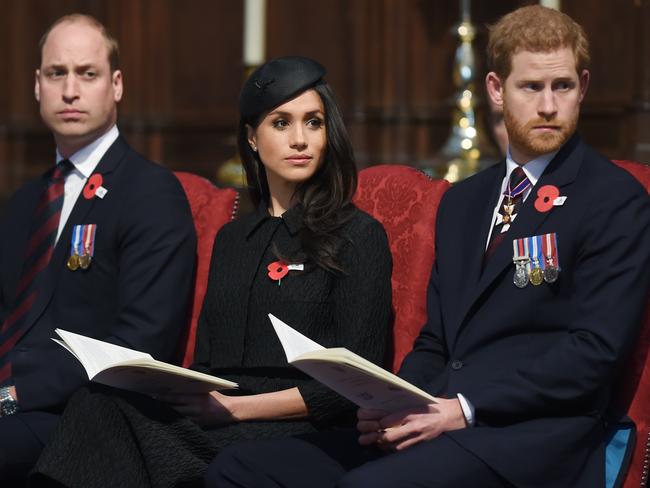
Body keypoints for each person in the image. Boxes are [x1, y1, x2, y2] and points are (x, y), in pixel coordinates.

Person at [205, 6, 650, 488]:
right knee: (242, 468)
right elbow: (438, 340)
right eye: (530, 87)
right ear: (497, 90)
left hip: (532, 440)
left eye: (561, 86)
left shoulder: (614, 199)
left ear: (582, 87)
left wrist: (463, 409)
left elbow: (593, 354)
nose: (547, 105)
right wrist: (395, 403)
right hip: (439, 419)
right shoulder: (465, 201)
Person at [30, 56, 393, 487]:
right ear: (252, 139)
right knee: (99, 400)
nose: (300, 139)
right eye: (281, 123)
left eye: (313, 123)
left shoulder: (359, 234)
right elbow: (207, 362)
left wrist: (237, 408)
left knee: (129, 444)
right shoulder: (232, 240)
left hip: (302, 427)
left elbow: (358, 382)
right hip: (218, 419)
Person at [0, 13, 197, 483]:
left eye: (87, 73)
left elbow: (138, 345)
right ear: (37, 85)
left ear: (117, 85)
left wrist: (11, 394)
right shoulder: (23, 201)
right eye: (56, 73)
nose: (70, 90)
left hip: (80, 416)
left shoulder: (150, 192)